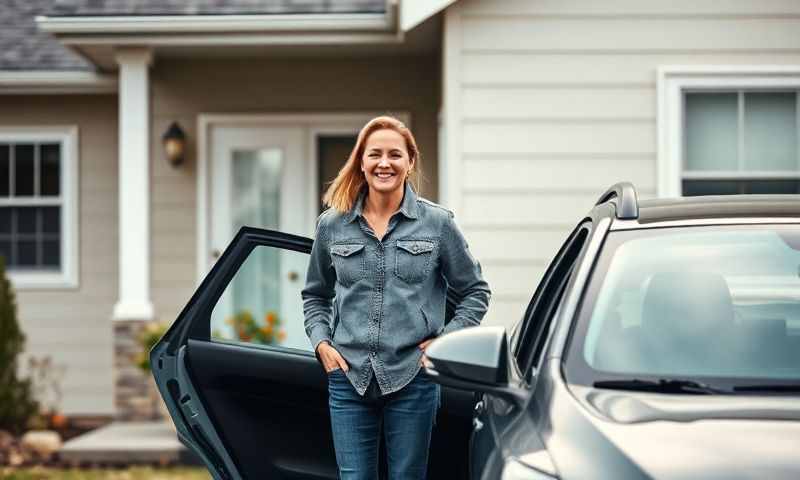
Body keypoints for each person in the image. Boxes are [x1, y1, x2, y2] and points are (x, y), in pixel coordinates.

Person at [302, 115, 491, 480]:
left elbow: (474, 292)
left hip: (413, 377)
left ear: (410, 162)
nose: (384, 163)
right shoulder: (332, 225)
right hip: (349, 375)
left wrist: (444, 343)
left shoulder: (438, 224)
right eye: (375, 154)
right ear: (361, 161)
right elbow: (315, 294)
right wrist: (321, 344)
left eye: (394, 154)